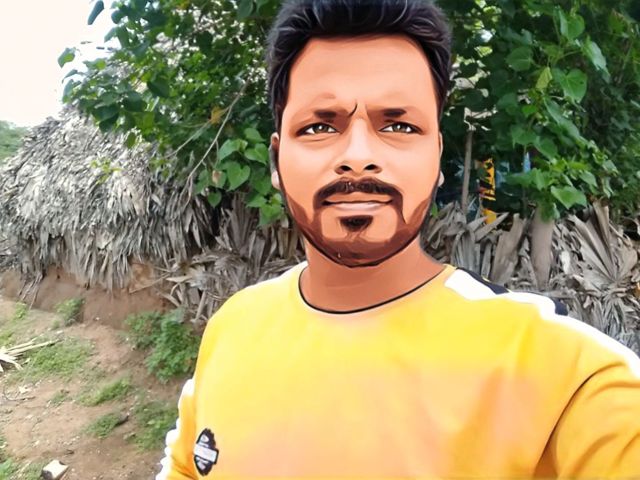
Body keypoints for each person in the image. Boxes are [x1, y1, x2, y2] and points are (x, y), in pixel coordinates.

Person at [156, 1, 640, 478]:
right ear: (276, 163)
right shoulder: (232, 328)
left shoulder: (566, 375)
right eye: (320, 126)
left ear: (437, 157)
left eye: (399, 126)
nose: (358, 156)